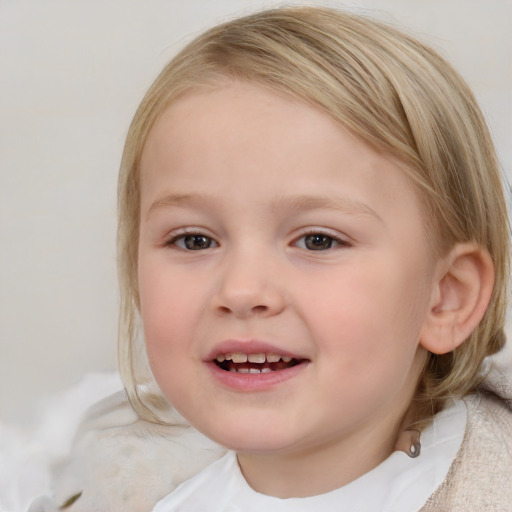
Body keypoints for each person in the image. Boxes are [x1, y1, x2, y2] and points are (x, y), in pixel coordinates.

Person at [44, 6, 511, 511]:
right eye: (194, 240)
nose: (242, 290)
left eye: (317, 241)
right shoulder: (119, 486)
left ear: (446, 297)